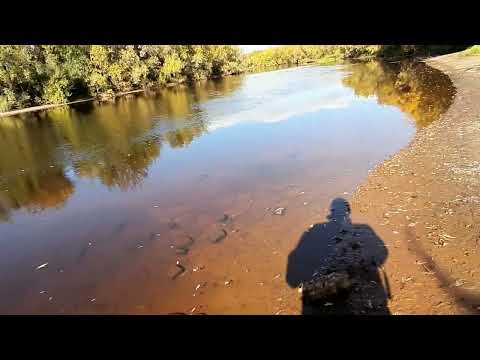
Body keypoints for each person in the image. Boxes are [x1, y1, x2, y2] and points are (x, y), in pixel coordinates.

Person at [286, 197, 390, 314]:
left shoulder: (316, 228)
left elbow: (292, 281)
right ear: (348, 212)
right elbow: (383, 254)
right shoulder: (364, 228)